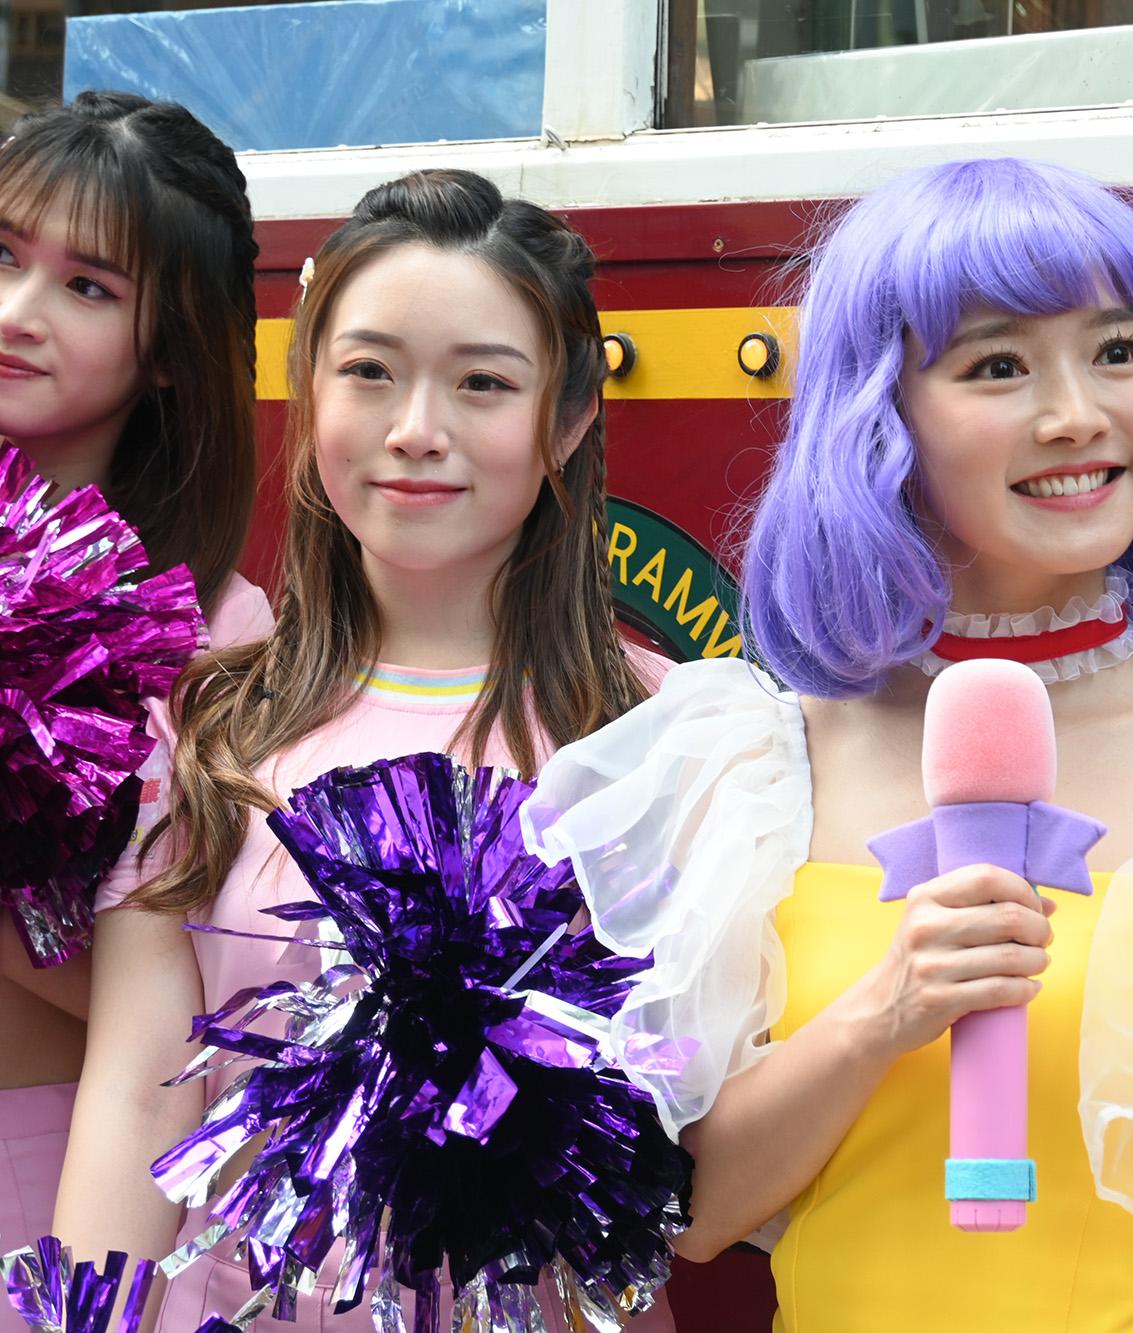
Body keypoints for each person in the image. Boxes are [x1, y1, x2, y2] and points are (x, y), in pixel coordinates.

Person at [523, 156, 1133, 1332]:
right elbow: (695, 1216)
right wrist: (884, 1009)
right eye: (997, 365)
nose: (1076, 412)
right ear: (878, 418)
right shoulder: (750, 758)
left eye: (1118, 350)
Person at [52, 168, 673, 1331]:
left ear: (569, 418)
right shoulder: (209, 721)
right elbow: (137, 1100)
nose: (415, 431)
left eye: (482, 382)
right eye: (369, 371)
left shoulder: (661, 734)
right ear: (310, 389)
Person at [0, 93, 268, 1327]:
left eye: (87, 286)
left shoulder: (222, 643)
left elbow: (206, 1018)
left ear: (169, 347)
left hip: (52, 1181)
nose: (20, 311)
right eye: (4, 255)